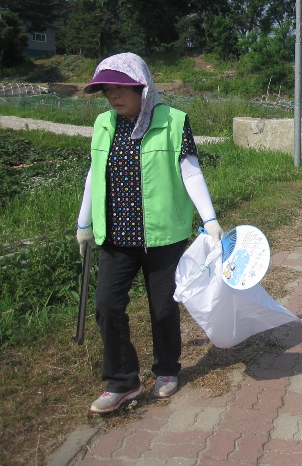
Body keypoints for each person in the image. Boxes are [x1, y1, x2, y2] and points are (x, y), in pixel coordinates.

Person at [75, 53, 224, 414]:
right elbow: (95, 172)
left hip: (162, 235)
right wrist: (83, 223)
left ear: (143, 87)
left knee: (163, 308)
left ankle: (167, 368)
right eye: (107, 90)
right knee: (107, 305)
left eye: (121, 88)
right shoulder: (103, 124)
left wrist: (210, 220)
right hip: (116, 236)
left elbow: (190, 171)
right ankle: (122, 381)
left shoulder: (173, 121)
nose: (113, 96)